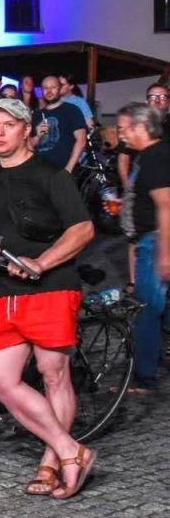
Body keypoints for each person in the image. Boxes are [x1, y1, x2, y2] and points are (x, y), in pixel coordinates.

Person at [0, 97, 96, 500]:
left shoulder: (51, 176)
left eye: (8, 125)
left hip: (50, 287)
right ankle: (71, 449)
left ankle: (50, 463)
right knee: (0, 380)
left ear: (27, 131)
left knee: (53, 374)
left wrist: (42, 262)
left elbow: (82, 229)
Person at [116, 104, 169, 393]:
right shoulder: (148, 156)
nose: (120, 135)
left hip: (157, 239)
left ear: (141, 127)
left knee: (147, 309)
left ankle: (144, 379)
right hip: (150, 238)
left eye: (124, 128)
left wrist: (165, 254)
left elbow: (166, 205)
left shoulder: (156, 157)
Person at [34, 76, 87, 173]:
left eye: (53, 87)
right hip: (39, 171)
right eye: (46, 88)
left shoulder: (71, 110)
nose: (49, 91)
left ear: (59, 89)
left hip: (62, 170)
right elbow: (28, 145)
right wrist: (37, 136)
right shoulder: (37, 114)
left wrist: (68, 169)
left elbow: (81, 140)